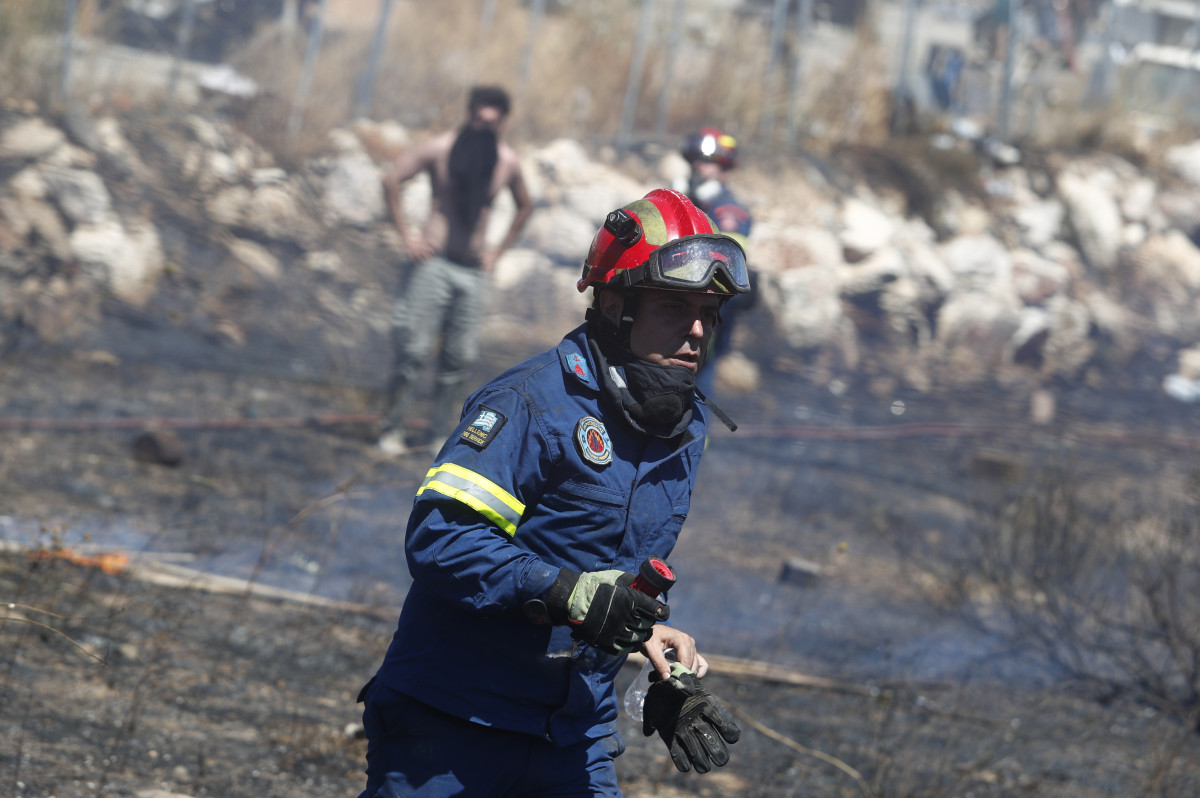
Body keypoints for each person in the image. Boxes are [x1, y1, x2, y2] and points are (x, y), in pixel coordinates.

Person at [356, 188, 746, 797]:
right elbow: (439, 538)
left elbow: (607, 578)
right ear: (616, 302)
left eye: (710, 313)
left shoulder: (681, 426)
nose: (697, 330)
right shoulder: (531, 404)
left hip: (572, 736)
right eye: (674, 307)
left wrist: (652, 653)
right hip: (454, 725)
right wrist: (567, 593)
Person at [379, 85, 534, 454]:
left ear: (502, 123)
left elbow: (526, 205)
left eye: (492, 122)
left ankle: (437, 435)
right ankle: (391, 429)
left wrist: (497, 252)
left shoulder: (507, 161)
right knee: (412, 350)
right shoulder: (441, 148)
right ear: (470, 114)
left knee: (458, 358)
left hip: (472, 272)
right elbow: (392, 178)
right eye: (479, 118)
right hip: (433, 263)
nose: (484, 126)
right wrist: (407, 236)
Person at [677, 127, 756, 399]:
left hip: (709, 312)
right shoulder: (688, 203)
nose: (698, 167)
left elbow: (725, 266)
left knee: (695, 387)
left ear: (724, 168)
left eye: (707, 162)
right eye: (694, 161)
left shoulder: (728, 211)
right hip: (678, 308)